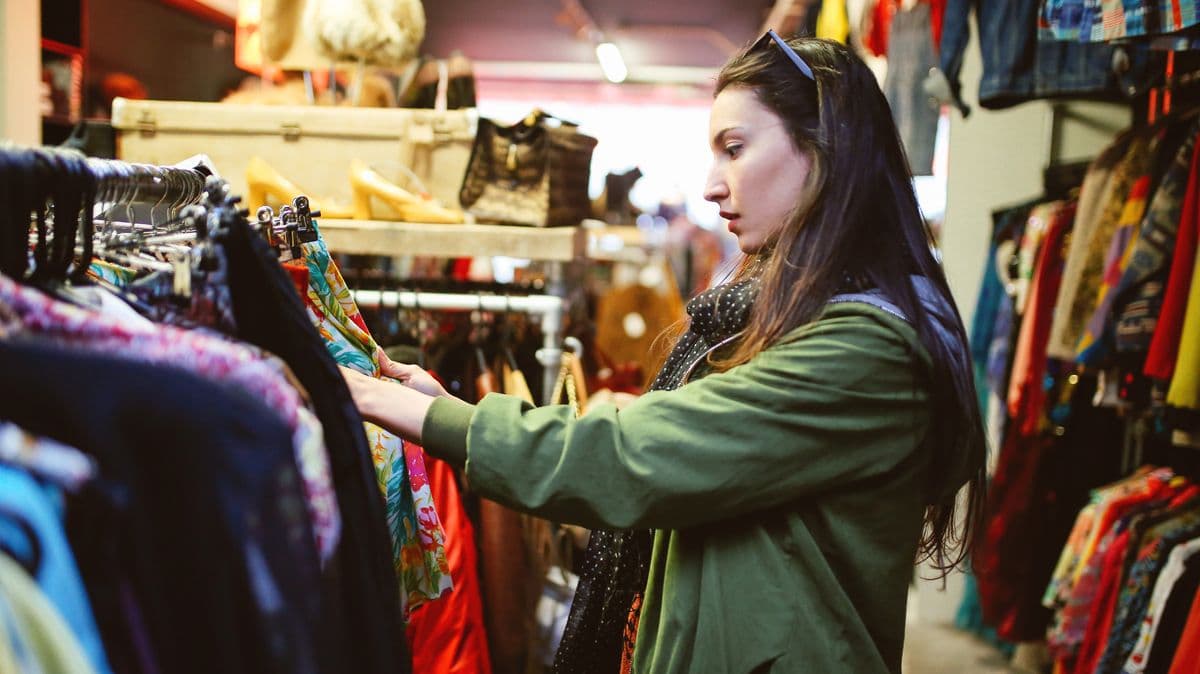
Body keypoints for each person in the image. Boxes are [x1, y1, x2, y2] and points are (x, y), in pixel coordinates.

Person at [341, 32, 986, 674]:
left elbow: (631, 458)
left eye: (735, 149)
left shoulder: (863, 349)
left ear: (823, 152)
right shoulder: (794, 317)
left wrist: (432, 415)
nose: (711, 186)